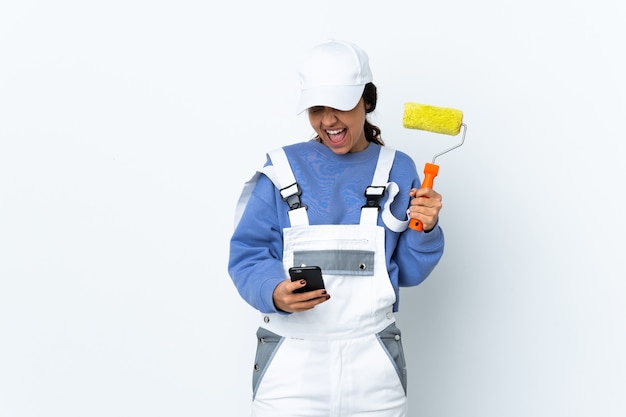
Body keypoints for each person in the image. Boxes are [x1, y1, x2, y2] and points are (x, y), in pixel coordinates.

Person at [228, 39, 445, 417]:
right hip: (290, 367)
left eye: (340, 106)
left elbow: (407, 272)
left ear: (367, 101)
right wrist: (274, 292)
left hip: (373, 368)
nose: (328, 121)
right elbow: (246, 254)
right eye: (317, 109)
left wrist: (424, 229)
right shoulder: (281, 169)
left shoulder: (398, 170)